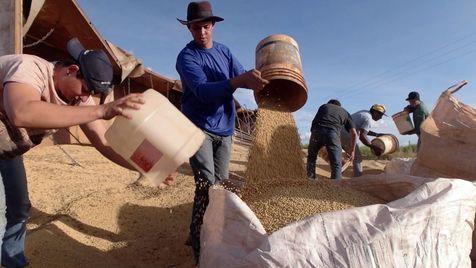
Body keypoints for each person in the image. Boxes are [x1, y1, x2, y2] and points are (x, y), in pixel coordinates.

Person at [0, 38, 172, 267]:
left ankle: (13, 261)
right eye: (87, 89)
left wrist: (149, 167)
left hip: (7, 150)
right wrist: (101, 110)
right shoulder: (29, 68)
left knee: (19, 207)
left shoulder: (78, 97)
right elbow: (22, 112)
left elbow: (103, 143)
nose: (84, 98)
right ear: (72, 70)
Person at [175, 1, 268, 262]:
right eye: (195, 28)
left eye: (205, 26)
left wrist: (264, 81)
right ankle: (198, 240)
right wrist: (240, 80)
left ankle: (215, 233)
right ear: (189, 28)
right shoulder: (187, 57)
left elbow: (244, 76)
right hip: (198, 128)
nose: (201, 32)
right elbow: (203, 92)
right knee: (206, 185)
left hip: (225, 129)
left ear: (212, 25)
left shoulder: (224, 52)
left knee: (222, 185)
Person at [306, 99, 357, 181]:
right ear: (339, 106)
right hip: (332, 133)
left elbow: (316, 122)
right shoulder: (345, 112)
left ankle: (310, 180)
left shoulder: (323, 107)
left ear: (329, 104)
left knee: (311, 157)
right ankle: (335, 188)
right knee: (336, 163)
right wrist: (352, 150)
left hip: (315, 132)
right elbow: (354, 133)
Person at [341, 104, 386, 177]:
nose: (381, 117)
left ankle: (336, 175)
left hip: (340, 132)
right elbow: (362, 136)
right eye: (380, 114)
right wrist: (373, 147)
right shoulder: (368, 118)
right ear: (375, 112)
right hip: (346, 134)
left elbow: (362, 130)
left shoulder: (364, 113)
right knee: (357, 157)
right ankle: (358, 179)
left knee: (346, 156)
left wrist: (377, 134)